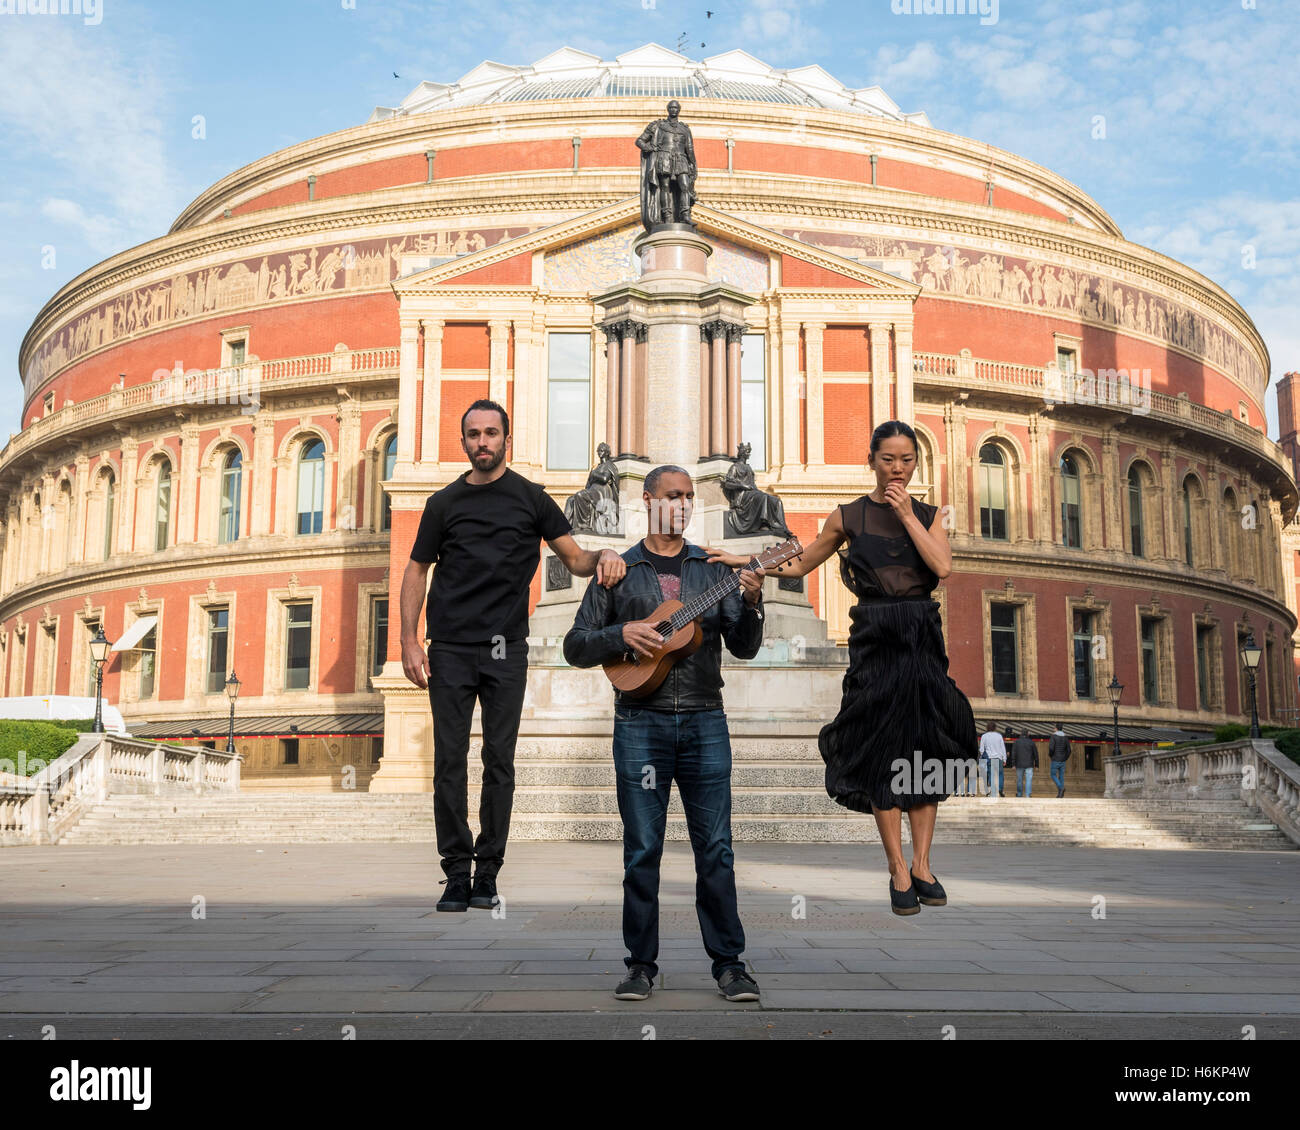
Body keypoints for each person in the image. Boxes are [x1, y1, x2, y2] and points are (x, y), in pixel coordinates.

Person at [708, 420, 978, 916]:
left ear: (915, 463)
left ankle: (923, 864)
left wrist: (909, 516)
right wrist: (741, 560)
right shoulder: (847, 516)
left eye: (907, 460)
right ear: (871, 461)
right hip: (875, 635)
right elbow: (799, 564)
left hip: (920, 635)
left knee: (928, 744)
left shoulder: (930, 514)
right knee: (879, 746)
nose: (897, 469)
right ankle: (896, 866)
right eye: (888, 459)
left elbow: (942, 568)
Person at [400, 399, 626, 913]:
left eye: (491, 433)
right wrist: (410, 642)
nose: (483, 442)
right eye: (474, 434)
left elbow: (574, 557)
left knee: (499, 761)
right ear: (464, 442)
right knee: (449, 763)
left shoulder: (531, 499)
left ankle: (488, 874)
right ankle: (456, 874)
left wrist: (607, 555)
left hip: (506, 650)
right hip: (451, 648)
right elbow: (416, 570)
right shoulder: (443, 504)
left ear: (507, 439)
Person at [564, 464, 766, 1002]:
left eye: (688, 497)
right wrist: (618, 633)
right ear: (649, 500)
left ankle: (730, 964)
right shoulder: (617, 570)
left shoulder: (713, 569)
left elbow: (745, 646)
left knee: (716, 849)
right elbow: (575, 645)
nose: (681, 504)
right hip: (639, 721)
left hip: (705, 717)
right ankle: (640, 966)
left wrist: (751, 600)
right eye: (672, 495)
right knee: (642, 849)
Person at [979, 721, 1006, 797]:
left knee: (991, 774)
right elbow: (1002, 748)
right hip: (998, 758)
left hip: (989, 758)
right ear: (995, 728)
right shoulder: (999, 736)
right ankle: (1000, 789)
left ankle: (991, 790)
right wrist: (1004, 759)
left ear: (987, 727)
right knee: (1000, 774)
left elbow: (981, 749)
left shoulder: (984, 736)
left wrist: (983, 756)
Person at [1009, 728, 1038, 797]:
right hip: (1029, 764)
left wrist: (1013, 764)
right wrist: (1037, 765)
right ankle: (1028, 795)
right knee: (1029, 780)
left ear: (1021, 734)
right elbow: (1035, 754)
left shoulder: (1016, 742)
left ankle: (1019, 794)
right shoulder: (1031, 742)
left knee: (1019, 780)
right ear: (1028, 734)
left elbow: (1013, 753)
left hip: (1019, 764)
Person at [1047, 722, 1072, 797]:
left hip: (1055, 759)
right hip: (1063, 760)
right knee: (1061, 777)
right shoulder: (1065, 737)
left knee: (1053, 775)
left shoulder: (1053, 736)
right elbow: (1069, 750)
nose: (1053, 729)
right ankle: (1060, 794)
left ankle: (1061, 788)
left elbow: (1051, 748)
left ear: (1056, 728)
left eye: (1054, 728)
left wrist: (1051, 756)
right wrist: (1065, 758)